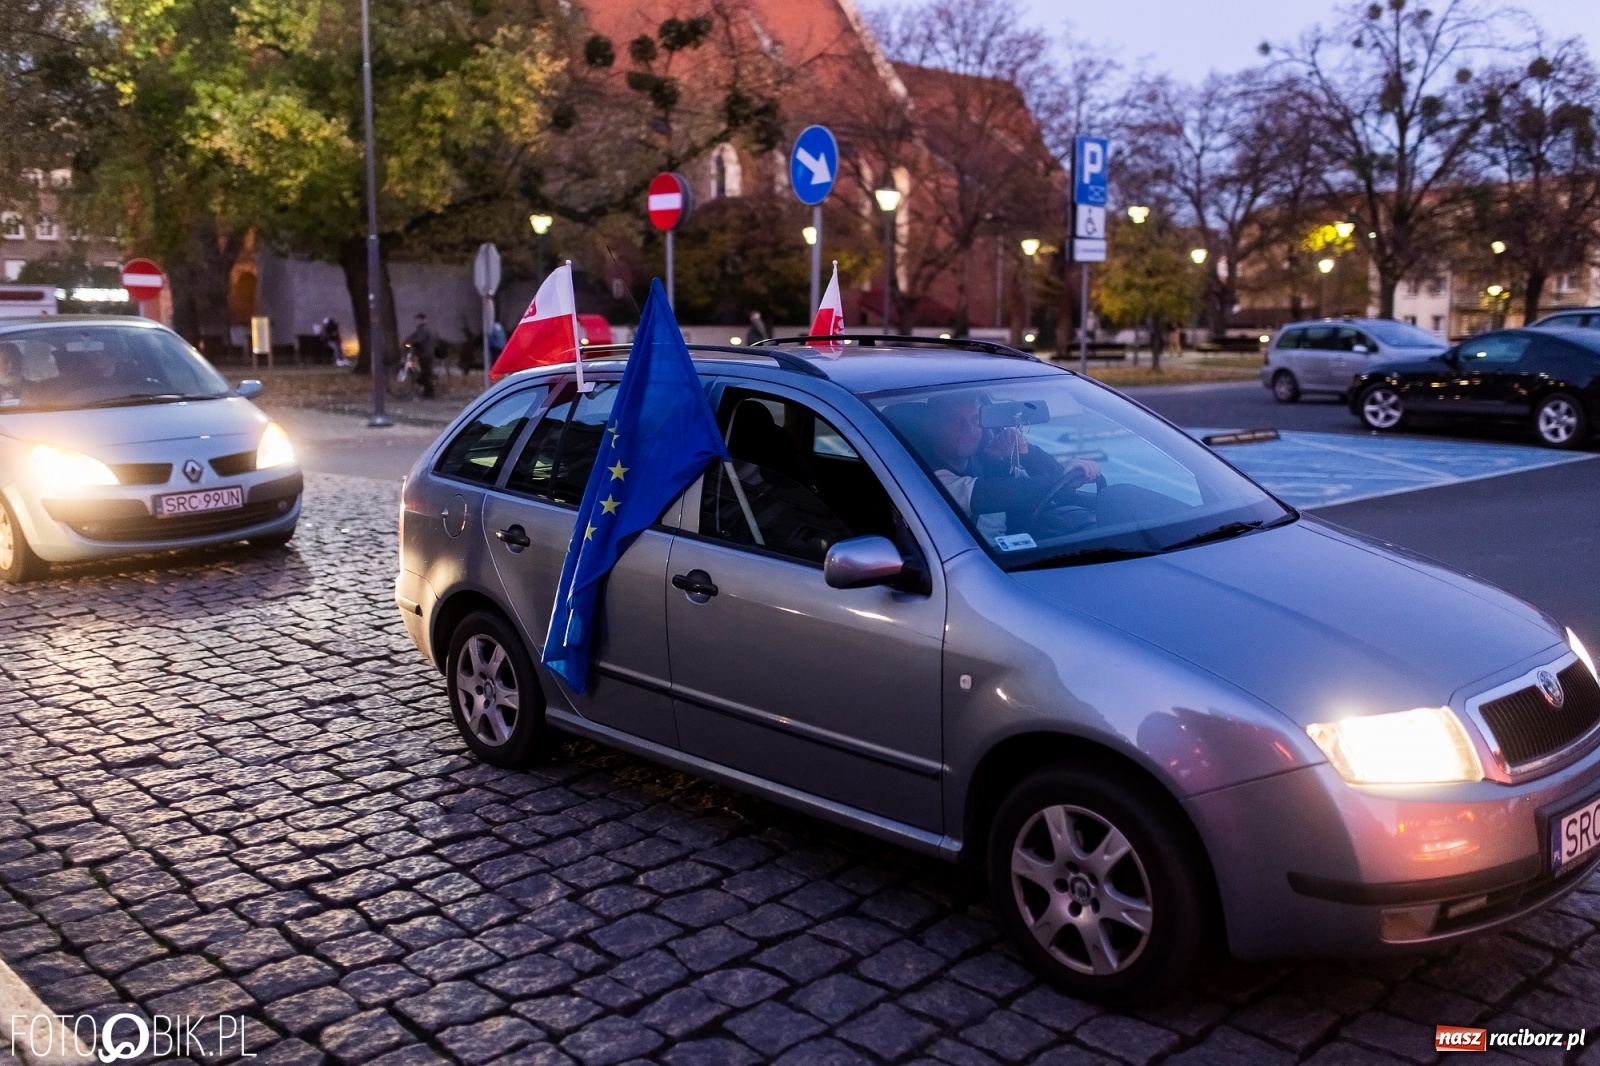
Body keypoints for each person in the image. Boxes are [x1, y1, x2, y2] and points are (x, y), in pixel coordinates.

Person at [922, 393, 1100, 539]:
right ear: (933, 427)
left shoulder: (983, 460)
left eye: (975, 420)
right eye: (956, 421)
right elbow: (991, 494)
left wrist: (1024, 452)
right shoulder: (925, 478)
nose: (968, 429)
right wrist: (1061, 480)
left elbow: (1040, 486)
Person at [405, 313, 438, 398]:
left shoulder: (423, 330)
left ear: (423, 320)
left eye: (419, 319)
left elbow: (419, 340)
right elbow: (414, 336)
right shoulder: (420, 329)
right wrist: (408, 339)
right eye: (417, 320)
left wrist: (410, 341)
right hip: (424, 354)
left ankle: (429, 393)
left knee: (426, 373)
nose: (417, 321)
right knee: (426, 373)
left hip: (426, 354)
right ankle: (427, 392)